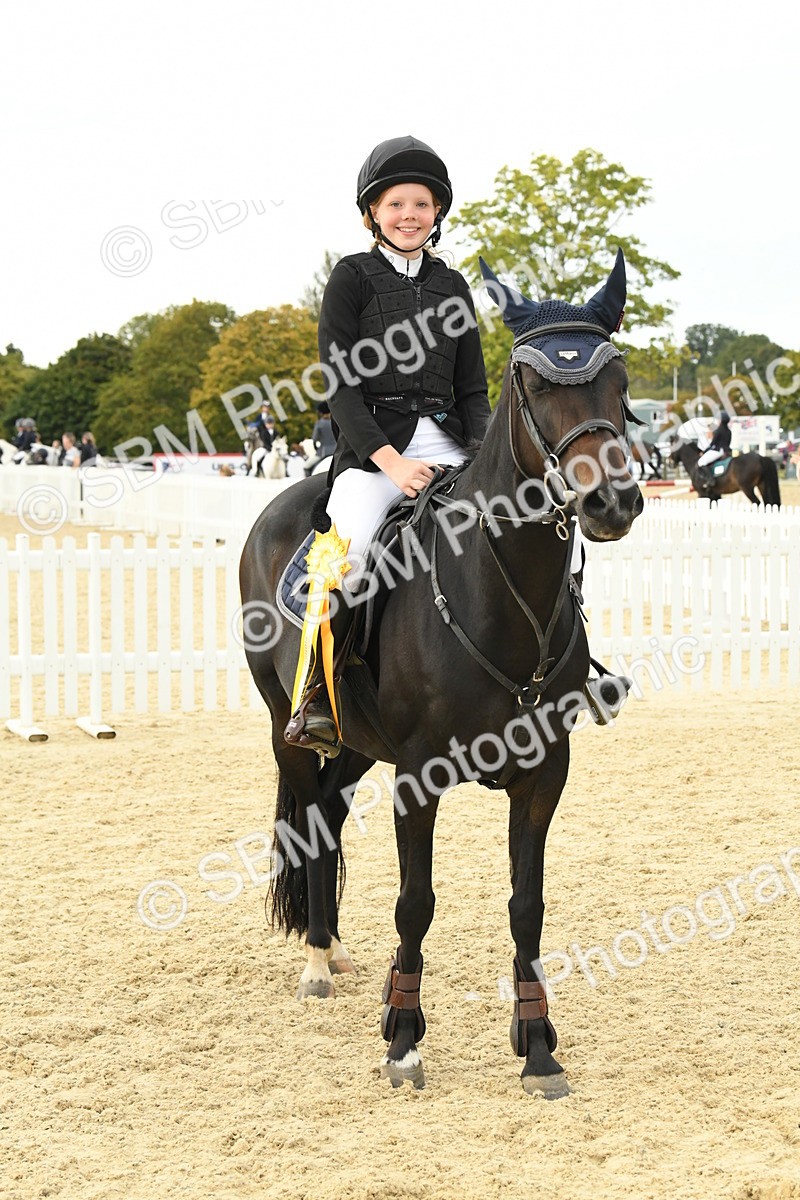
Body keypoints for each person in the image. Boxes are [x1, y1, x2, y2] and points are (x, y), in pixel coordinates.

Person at [284, 136, 491, 756]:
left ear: (437, 212)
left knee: (541, 520)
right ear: (373, 211)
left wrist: (481, 455)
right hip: (374, 454)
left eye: (422, 204)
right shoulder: (351, 278)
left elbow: (474, 390)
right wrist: (392, 463)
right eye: (396, 203)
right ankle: (319, 697)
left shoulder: (453, 286)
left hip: (453, 446)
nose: (409, 214)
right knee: (345, 558)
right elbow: (340, 389)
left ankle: (574, 669)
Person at [696, 411, 732, 489]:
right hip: (726, 451)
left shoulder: (719, 430)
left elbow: (713, 444)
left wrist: (704, 452)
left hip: (718, 451)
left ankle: (711, 480)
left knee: (701, 462)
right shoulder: (729, 431)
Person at [303, 401, 337, 476]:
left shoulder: (319, 423)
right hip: (337, 450)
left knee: (306, 467)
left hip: (323, 452)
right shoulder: (336, 422)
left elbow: (314, 440)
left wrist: (316, 448)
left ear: (321, 413)